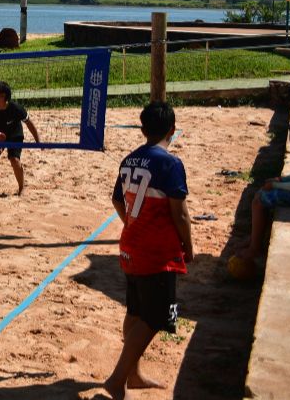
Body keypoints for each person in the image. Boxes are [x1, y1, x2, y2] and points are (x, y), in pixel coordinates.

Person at [104, 101, 194, 400]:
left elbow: (117, 200)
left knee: (136, 309)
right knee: (155, 317)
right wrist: (188, 247)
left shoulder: (129, 159)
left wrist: (132, 223)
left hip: (131, 243)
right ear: (173, 128)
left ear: (142, 129)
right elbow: (180, 214)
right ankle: (117, 380)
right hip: (156, 251)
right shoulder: (170, 163)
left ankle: (134, 374)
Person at [239, 118, 290, 261]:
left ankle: (255, 247)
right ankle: (256, 237)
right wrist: (280, 179)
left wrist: (275, 185)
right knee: (259, 195)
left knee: (260, 200)